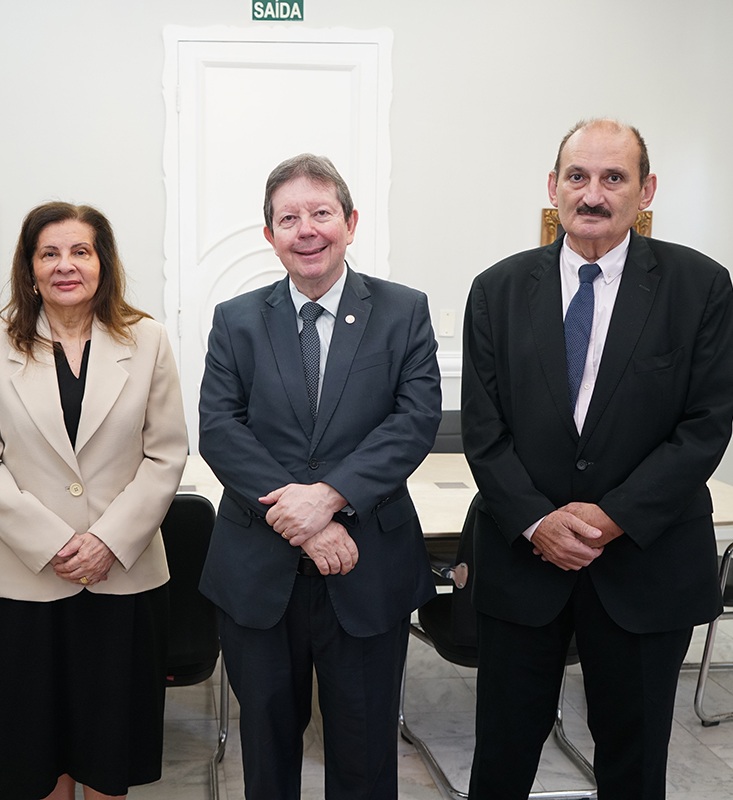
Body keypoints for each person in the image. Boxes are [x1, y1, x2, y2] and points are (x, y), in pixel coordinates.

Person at [462, 119, 733, 799]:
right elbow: (482, 428)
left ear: (645, 192)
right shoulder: (496, 290)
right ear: (552, 187)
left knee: (634, 760)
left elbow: (704, 427)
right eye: (578, 177)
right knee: (501, 755)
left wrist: (612, 516)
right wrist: (537, 521)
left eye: (613, 178)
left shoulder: (699, 287)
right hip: (521, 559)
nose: (593, 193)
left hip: (645, 565)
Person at [198, 154, 442, 799]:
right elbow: (221, 430)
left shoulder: (403, 311)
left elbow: (414, 422)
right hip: (258, 569)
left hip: (369, 566)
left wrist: (329, 499)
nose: (306, 229)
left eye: (321, 213)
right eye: (288, 218)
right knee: (268, 748)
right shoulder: (236, 319)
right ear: (270, 234)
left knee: (364, 752)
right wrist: (306, 526)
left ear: (351, 222)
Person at [0, 202, 187, 800]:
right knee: (37, 748)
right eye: (49, 253)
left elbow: (166, 455)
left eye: (80, 251)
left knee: (112, 744)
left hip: (124, 575)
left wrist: (108, 541)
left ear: (103, 264)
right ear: (29, 268)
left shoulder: (149, 340)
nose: (66, 266)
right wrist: (56, 541)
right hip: (27, 579)